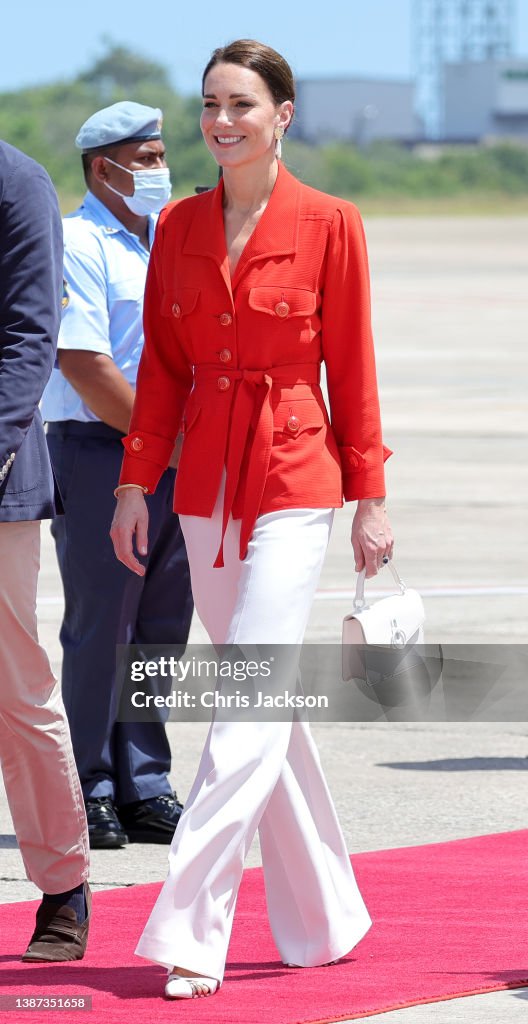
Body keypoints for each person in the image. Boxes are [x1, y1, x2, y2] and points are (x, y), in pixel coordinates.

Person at [111, 40, 394, 999]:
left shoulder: (330, 223)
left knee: (243, 702)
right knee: (265, 704)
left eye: (242, 104)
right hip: (204, 492)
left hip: (294, 474)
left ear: (283, 114)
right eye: (209, 105)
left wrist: (371, 498)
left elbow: (352, 367)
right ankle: (326, 916)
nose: (221, 121)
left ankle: (190, 929)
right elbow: (161, 371)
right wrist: (131, 483)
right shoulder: (179, 227)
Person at [41, 102, 193, 849]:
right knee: (104, 626)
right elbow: (86, 363)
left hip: (175, 456)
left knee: (162, 626)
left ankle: (147, 784)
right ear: (105, 168)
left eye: (163, 157)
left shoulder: (173, 238)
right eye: (149, 157)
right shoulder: (75, 243)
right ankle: (92, 788)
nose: (161, 172)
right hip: (102, 448)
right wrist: (162, 446)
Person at [0, 139, 90, 961]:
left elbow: (29, 337)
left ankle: (63, 887)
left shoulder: (16, 183)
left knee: (15, 688)